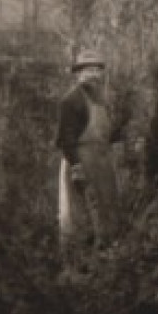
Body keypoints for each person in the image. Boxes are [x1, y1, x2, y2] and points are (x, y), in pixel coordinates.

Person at [55, 49, 122, 257]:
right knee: (79, 214)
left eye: (97, 70)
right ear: (78, 74)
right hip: (81, 162)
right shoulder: (71, 100)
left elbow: (105, 135)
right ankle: (78, 263)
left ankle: (106, 257)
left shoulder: (101, 99)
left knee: (106, 209)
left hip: (102, 162)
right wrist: (76, 167)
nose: (93, 74)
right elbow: (66, 139)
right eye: (88, 70)